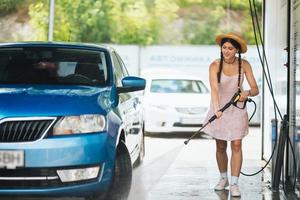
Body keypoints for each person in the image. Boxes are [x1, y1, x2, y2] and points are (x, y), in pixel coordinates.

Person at [202, 32, 259, 197]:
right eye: (224, 47)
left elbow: (256, 89)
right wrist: (217, 109)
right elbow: (214, 89)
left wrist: (246, 92)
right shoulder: (214, 65)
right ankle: (223, 178)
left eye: (230, 48)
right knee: (220, 146)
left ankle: (234, 183)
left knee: (236, 145)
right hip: (219, 109)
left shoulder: (245, 65)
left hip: (237, 110)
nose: (226, 51)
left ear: (237, 50)